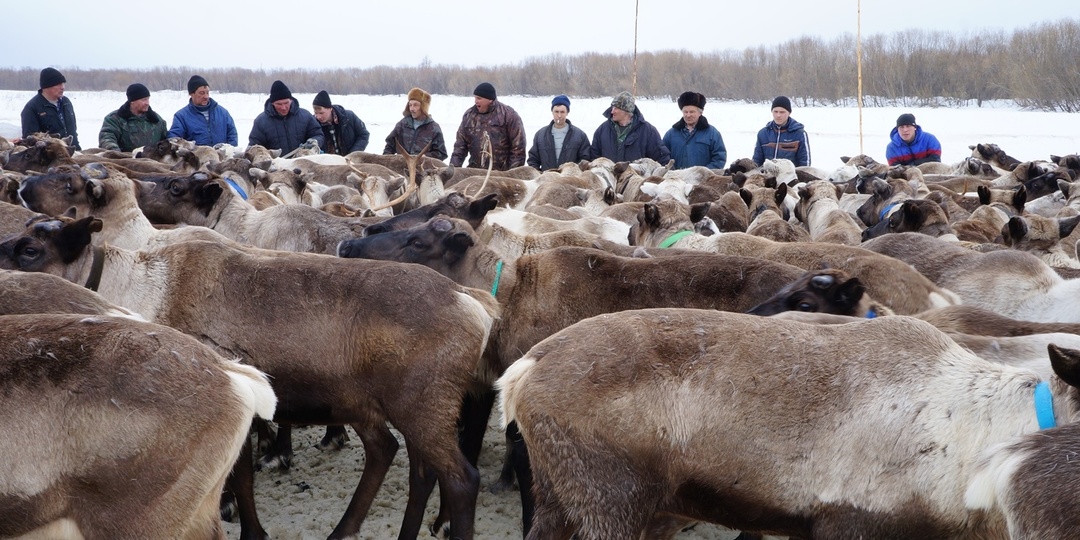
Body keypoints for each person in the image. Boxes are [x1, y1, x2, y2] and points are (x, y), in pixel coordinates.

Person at [450, 82, 526, 170]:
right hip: (475, 173)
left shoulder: (508, 115)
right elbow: (459, 147)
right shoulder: (469, 116)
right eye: (475, 98)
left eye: (479, 98)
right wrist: (452, 170)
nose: (475, 101)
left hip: (501, 175)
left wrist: (512, 175)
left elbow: (518, 149)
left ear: (490, 99)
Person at [589, 91, 670, 165]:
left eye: (616, 108)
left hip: (637, 179)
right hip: (609, 179)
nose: (612, 111)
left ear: (626, 111)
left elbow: (662, 159)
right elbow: (594, 159)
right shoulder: (602, 130)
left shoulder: (648, 131)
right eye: (612, 108)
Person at [248, 80, 323, 155]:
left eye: (286, 103)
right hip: (276, 164)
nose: (283, 107)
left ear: (291, 100)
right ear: (272, 103)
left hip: (303, 162)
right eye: (279, 104)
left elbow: (318, 134)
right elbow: (254, 146)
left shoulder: (305, 116)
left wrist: (315, 141)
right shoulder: (261, 121)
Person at [662, 91, 727, 170]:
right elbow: (663, 156)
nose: (688, 115)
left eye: (692, 112)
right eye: (685, 112)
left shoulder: (712, 134)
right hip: (676, 180)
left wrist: (704, 174)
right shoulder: (671, 134)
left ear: (700, 112)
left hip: (703, 180)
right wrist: (672, 172)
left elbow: (719, 158)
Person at [168, 75, 238, 146]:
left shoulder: (223, 113)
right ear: (191, 94)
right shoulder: (181, 117)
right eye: (201, 93)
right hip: (195, 156)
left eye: (207, 92)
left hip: (221, 156)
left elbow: (232, 135)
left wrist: (229, 150)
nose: (206, 96)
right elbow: (174, 139)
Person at [20, 67, 80, 150]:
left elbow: (73, 131)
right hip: (50, 157)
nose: (62, 87)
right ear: (47, 86)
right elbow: (30, 140)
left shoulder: (66, 102)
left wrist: (77, 149)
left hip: (73, 152)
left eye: (63, 84)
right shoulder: (32, 108)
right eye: (58, 84)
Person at [527, 94, 591, 171]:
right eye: (556, 112)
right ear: (552, 112)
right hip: (546, 180)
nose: (559, 115)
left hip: (569, 180)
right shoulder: (540, 135)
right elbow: (533, 159)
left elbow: (585, 160)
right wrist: (539, 175)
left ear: (567, 113)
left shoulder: (579, 135)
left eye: (562, 112)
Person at [97, 83, 168, 152]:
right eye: (144, 100)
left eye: (148, 99)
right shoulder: (114, 119)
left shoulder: (156, 120)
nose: (147, 103)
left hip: (152, 162)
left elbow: (165, 141)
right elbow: (107, 139)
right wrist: (117, 154)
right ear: (132, 101)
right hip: (125, 161)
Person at [382, 87, 448, 160]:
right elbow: (389, 146)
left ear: (423, 107)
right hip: (401, 167)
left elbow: (441, 153)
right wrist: (386, 162)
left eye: (415, 105)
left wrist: (425, 157)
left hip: (423, 169)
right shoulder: (402, 124)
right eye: (410, 105)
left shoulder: (433, 128)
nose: (412, 109)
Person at [752, 96, 810, 167]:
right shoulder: (763, 134)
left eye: (782, 112)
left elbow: (805, 164)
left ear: (789, 112)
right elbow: (756, 161)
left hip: (790, 176)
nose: (778, 115)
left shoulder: (800, 134)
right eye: (775, 112)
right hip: (767, 175)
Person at [311, 90, 369, 155]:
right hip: (327, 163)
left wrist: (353, 154)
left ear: (330, 108)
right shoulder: (313, 123)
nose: (318, 117)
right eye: (316, 113)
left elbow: (363, 135)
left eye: (321, 113)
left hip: (350, 160)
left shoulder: (349, 117)